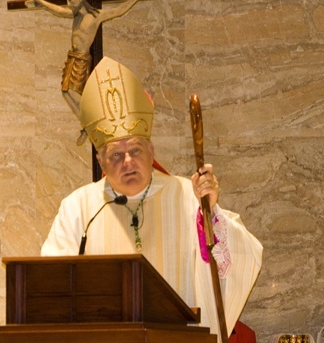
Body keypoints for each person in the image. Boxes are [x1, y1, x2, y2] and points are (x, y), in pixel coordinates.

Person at [41, 57, 263, 343]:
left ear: (151, 149)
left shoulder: (186, 195)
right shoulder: (79, 208)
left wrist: (210, 212)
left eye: (135, 150)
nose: (128, 161)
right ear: (101, 162)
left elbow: (236, 258)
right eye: (116, 156)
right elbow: (49, 286)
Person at [25, 0, 150, 134]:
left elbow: (118, 11)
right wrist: (42, 3)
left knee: (72, 92)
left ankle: (92, 122)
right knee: (66, 92)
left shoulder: (95, 16)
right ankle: (87, 124)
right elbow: (58, 10)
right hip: (72, 57)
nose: (68, 4)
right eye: (67, 1)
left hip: (82, 60)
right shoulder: (75, 15)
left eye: (71, 0)